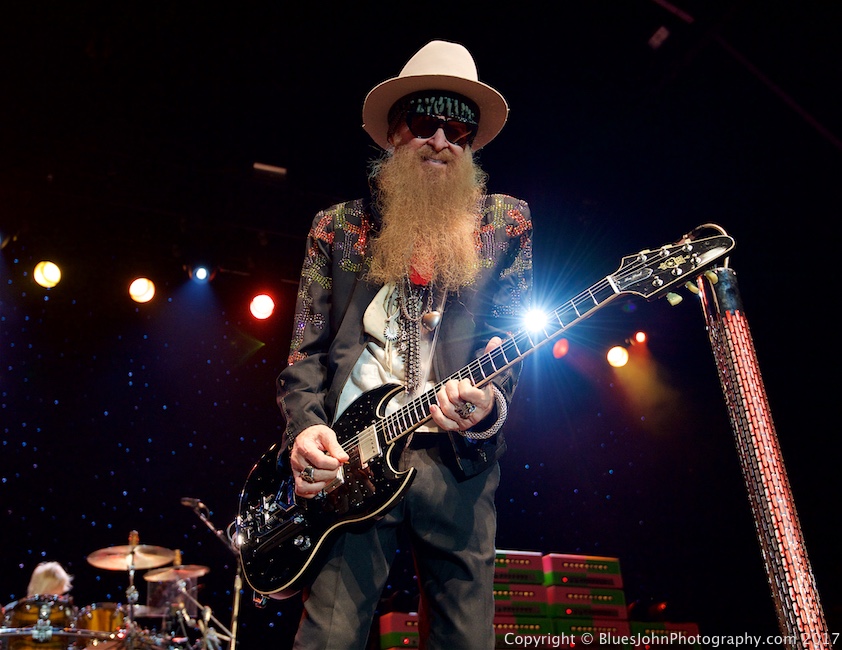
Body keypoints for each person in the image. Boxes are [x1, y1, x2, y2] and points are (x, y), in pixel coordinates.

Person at [278, 40, 533, 649]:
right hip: (353, 458)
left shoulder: (506, 223)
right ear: (394, 133)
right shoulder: (338, 227)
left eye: (460, 129)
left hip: (457, 461)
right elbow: (304, 356)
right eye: (426, 122)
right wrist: (304, 431)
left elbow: (510, 336)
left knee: (466, 640)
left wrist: (491, 401)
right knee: (329, 636)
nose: (443, 140)